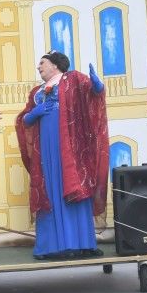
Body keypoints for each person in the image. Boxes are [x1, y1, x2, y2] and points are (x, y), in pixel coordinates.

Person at [15, 52, 108, 261]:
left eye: (42, 63)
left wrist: (97, 85)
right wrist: (36, 112)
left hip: (72, 147)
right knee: (49, 191)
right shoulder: (36, 92)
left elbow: (94, 96)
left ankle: (84, 244)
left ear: (55, 65)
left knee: (75, 188)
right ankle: (51, 246)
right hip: (46, 149)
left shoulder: (73, 79)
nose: (38, 67)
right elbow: (25, 120)